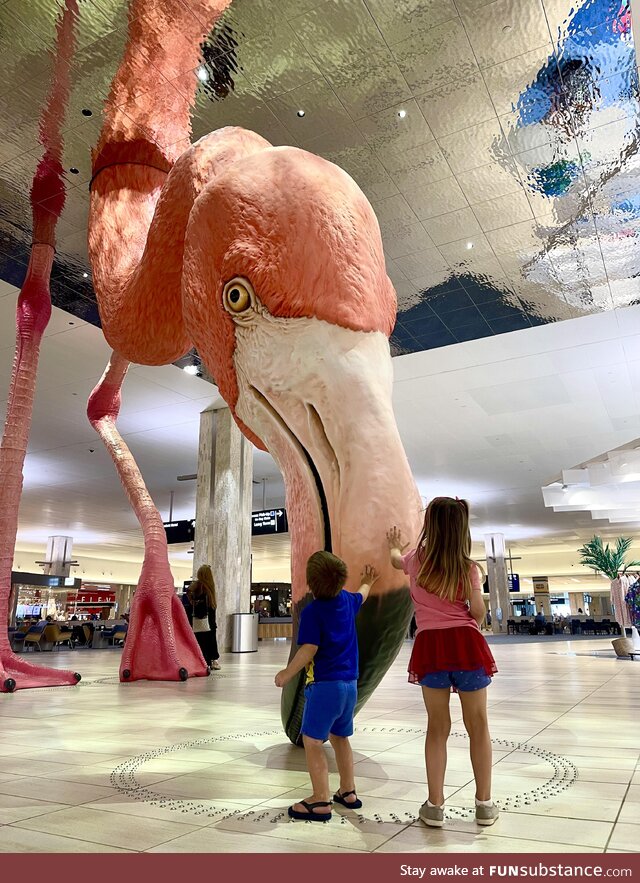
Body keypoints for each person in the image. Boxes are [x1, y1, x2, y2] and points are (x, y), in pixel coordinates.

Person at [387, 497, 499, 829]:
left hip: (430, 646)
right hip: (466, 645)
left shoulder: (415, 560)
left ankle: (435, 806)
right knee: (478, 725)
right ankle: (484, 805)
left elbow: (396, 561)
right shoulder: (468, 567)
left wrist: (394, 545)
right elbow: (478, 612)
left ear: (430, 525)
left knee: (437, 728)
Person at [274, 551, 378, 822]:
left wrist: (287, 673)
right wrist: (368, 579)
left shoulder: (312, 612)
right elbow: (363, 594)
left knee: (311, 741)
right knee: (340, 737)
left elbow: (308, 649)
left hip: (325, 687)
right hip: (350, 685)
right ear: (342, 579)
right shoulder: (347, 601)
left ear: (310, 583)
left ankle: (320, 799)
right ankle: (348, 791)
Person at [184, 564, 220, 670]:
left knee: (200, 641)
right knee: (209, 639)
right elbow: (211, 607)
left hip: (197, 619)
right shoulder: (209, 588)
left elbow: (189, 601)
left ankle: (202, 660)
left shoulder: (196, 587)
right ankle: (211, 660)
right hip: (208, 620)